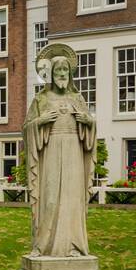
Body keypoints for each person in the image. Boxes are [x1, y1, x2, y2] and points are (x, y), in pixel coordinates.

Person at [24, 45, 96, 257]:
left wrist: (89, 122)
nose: (62, 74)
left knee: (73, 199)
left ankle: (74, 245)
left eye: (65, 70)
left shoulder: (78, 99)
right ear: (51, 75)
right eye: (58, 71)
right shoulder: (41, 100)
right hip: (51, 153)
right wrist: (40, 121)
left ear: (70, 73)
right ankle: (42, 245)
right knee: (50, 198)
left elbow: (90, 127)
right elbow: (26, 129)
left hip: (74, 151)